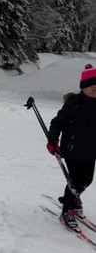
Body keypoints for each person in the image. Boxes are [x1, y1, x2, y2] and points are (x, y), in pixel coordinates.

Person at [47, 63, 96, 230]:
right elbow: (57, 122)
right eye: (94, 89)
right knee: (74, 181)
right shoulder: (74, 104)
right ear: (83, 88)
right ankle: (67, 210)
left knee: (87, 180)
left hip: (91, 151)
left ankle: (75, 200)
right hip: (72, 150)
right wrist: (53, 140)